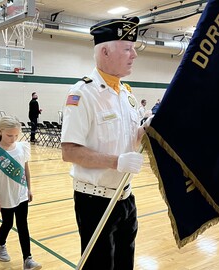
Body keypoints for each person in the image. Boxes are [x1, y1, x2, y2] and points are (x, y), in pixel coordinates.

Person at [61, 17, 151, 269]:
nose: (134, 54)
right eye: (127, 48)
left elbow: (133, 138)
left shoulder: (127, 94)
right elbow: (69, 152)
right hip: (95, 201)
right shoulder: (82, 94)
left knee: (125, 264)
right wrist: (117, 161)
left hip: (126, 197)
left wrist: (148, 129)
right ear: (105, 51)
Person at [0, 116, 42, 270]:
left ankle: (28, 259)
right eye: (9, 135)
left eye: (16, 135)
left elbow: (26, 169)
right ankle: (0, 245)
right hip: (5, 195)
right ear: (0, 131)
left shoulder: (23, 147)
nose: (13, 138)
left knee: (23, 225)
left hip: (21, 193)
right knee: (8, 223)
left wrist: (29, 188)